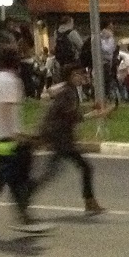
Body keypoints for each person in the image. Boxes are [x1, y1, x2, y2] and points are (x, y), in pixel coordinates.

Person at [0, 46, 49, 240]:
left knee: (14, 183)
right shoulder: (11, 81)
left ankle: (24, 220)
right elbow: (7, 110)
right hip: (5, 142)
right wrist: (17, 134)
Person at [30, 61, 107, 215]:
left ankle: (26, 193)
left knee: (51, 172)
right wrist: (96, 114)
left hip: (60, 137)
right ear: (71, 76)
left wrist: (93, 110)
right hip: (59, 138)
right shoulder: (67, 92)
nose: (83, 76)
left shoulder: (69, 90)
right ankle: (89, 202)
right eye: (79, 74)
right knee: (83, 167)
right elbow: (72, 116)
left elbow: (69, 112)